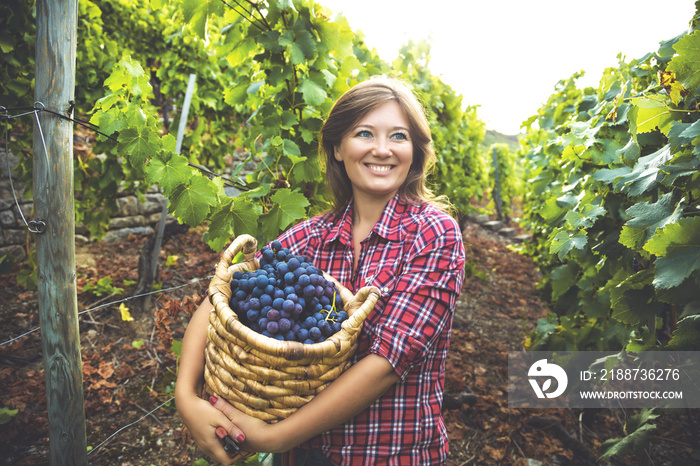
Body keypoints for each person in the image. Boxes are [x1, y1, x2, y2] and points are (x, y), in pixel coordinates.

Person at [175, 76, 466, 465]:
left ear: (415, 150)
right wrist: (186, 397)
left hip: (390, 455)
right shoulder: (310, 236)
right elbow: (221, 298)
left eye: (399, 136)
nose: (383, 149)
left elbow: (387, 364)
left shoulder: (434, 234)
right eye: (364, 133)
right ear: (337, 149)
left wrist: (274, 438)